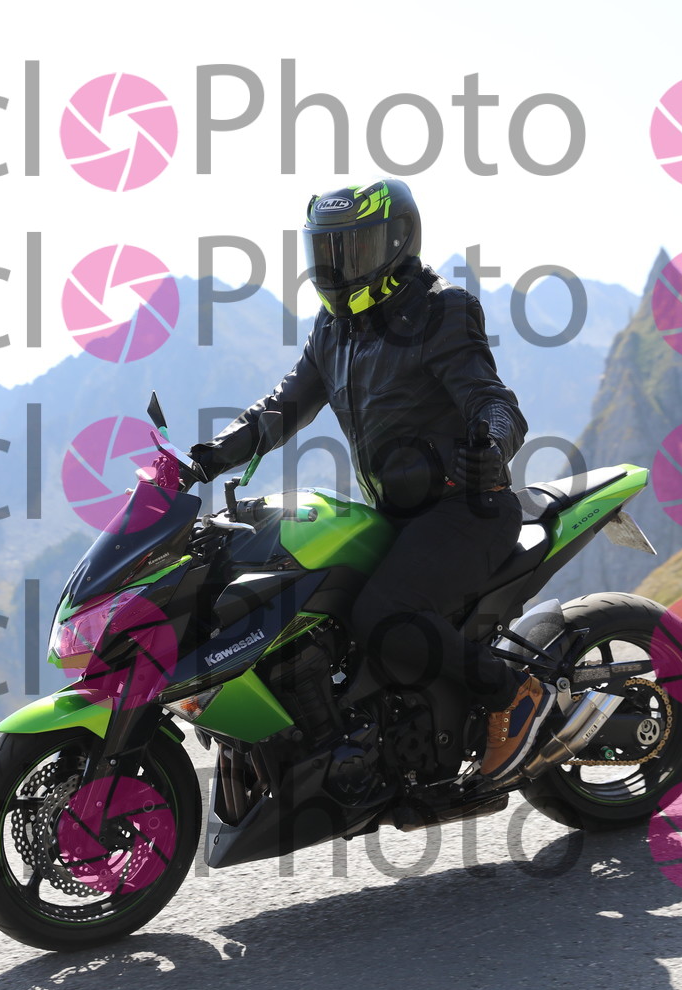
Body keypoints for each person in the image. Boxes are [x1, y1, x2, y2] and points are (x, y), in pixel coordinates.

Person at [186, 178, 556, 782]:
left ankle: (512, 693)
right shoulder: (333, 331)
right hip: (393, 516)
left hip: (465, 509)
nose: (336, 266)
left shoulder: (440, 309)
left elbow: (494, 400)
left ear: (396, 243)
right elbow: (282, 406)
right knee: (309, 599)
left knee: (384, 616)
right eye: (325, 250)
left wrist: (492, 445)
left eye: (352, 250)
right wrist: (207, 456)